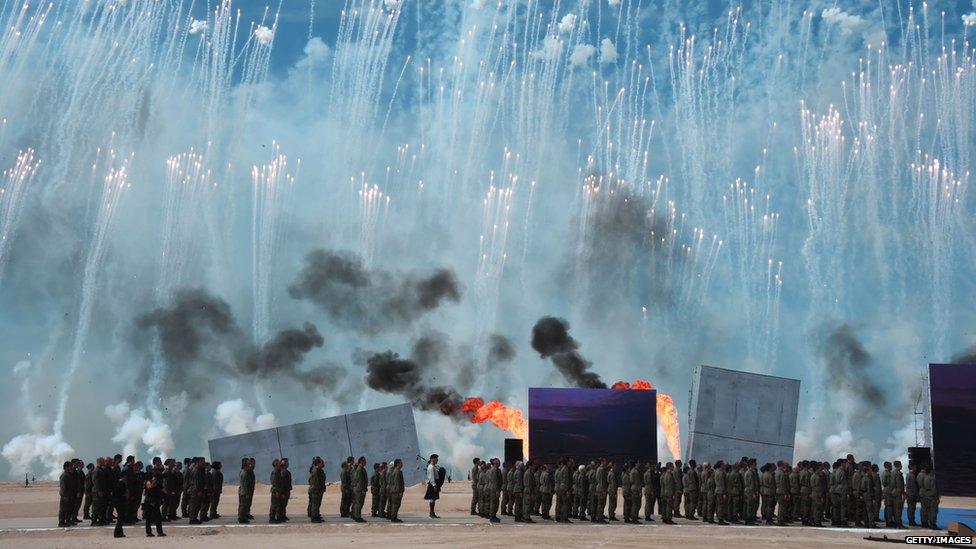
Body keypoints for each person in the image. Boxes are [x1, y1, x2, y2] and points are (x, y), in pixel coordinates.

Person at [142, 470, 166, 537]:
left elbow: (162, 489)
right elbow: (148, 488)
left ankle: (160, 532)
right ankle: (149, 532)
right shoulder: (148, 481)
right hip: (149, 501)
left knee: (158, 517)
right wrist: (153, 483)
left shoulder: (158, 483)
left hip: (156, 501)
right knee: (148, 518)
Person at [918, 465, 939, 530]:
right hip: (931, 496)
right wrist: (937, 498)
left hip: (925, 495)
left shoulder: (924, 477)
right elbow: (933, 489)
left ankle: (924, 523)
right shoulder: (931, 478)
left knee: (925, 510)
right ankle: (933, 524)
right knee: (933, 510)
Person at [308, 456, 326, 523]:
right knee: (315, 504)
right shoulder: (315, 471)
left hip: (318, 490)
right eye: (321, 463)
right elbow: (316, 483)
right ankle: (314, 517)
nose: (322, 464)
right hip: (316, 491)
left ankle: (316, 515)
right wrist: (319, 490)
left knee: (317, 504)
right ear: (318, 464)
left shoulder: (318, 470)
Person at [238, 457, 255, 524]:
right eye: (248, 463)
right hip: (244, 492)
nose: (250, 464)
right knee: (243, 505)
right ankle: (241, 518)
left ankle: (243, 516)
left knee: (245, 505)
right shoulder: (244, 473)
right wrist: (247, 493)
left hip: (246, 491)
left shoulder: (246, 472)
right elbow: (244, 484)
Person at [425, 454, 441, 518]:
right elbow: (431, 477)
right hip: (432, 484)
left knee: (433, 499)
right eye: (436, 459)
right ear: (433, 459)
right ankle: (431, 513)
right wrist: (434, 485)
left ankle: (432, 513)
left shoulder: (433, 466)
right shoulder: (431, 467)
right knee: (432, 499)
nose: (437, 460)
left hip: (433, 483)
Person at [352, 456, 367, 522]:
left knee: (358, 503)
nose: (365, 462)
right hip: (359, 489)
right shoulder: (360, 469)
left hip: (359, 489)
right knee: (359, 503)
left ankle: (356, 515)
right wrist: (363, 489)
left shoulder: (361, 469)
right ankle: (357, 517)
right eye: (364, 460)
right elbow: (360, 481)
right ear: (361, 461)